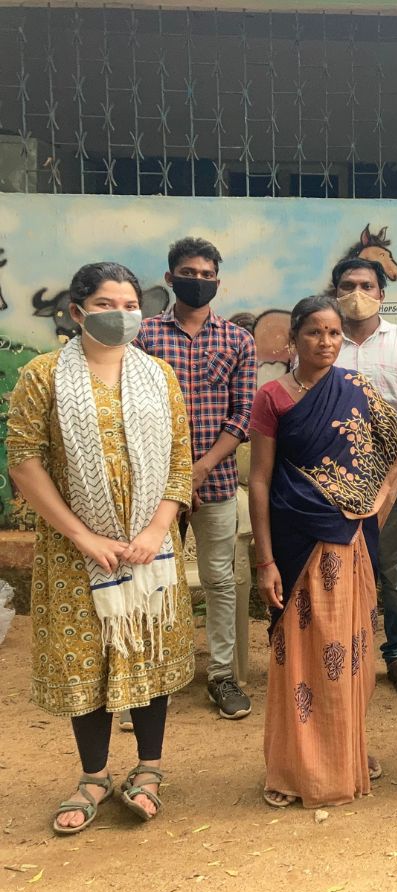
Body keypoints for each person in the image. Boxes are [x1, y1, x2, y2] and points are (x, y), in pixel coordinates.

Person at [8, 262, 195, 834]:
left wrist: (155, 531)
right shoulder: (43, 376)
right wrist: (83, 536)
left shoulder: (159, 375)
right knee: (85, 659)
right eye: (108, 304)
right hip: (74, 554)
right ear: (77, 312)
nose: (122, 315)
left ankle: (149, 770)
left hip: (148, 550)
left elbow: (179, 462)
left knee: (148, 652)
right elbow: (24, 460)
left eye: (131, 304)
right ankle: (93, 776)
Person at [248, 296, 397, 809]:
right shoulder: (272, 398)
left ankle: (346, 750)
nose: (326, 342)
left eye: (334, 333)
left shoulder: (357, 390)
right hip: (297, 543)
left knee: (351, 653)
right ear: (293, 338)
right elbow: (258, 480)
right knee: (301, 658)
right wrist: (265, 560)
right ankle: (298, 767)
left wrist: (375, 504)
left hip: (351, 543)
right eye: (315, 333)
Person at [137, 237, 256, 721]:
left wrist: (201, 467)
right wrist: (172, 476)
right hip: (152, 484)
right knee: (152, 578)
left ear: (218, 282)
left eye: (208, 275)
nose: (199, 281)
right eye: (190, 273)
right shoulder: (144, 337)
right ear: (170, 279)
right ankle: (148, 678)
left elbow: (242, 415)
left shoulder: (237, 340)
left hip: (218, 479)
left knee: (219, 580)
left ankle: (222, 676)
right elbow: (133, 410)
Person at [332, 257, 397, 698]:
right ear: (336, 292)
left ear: (381, 294)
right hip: (331, 482)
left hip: (392, 482)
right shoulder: (323, 340)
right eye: (349, 285)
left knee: (394, 572)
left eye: (367, 285)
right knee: (335, 571)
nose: (358, 293)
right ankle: (342, 653)